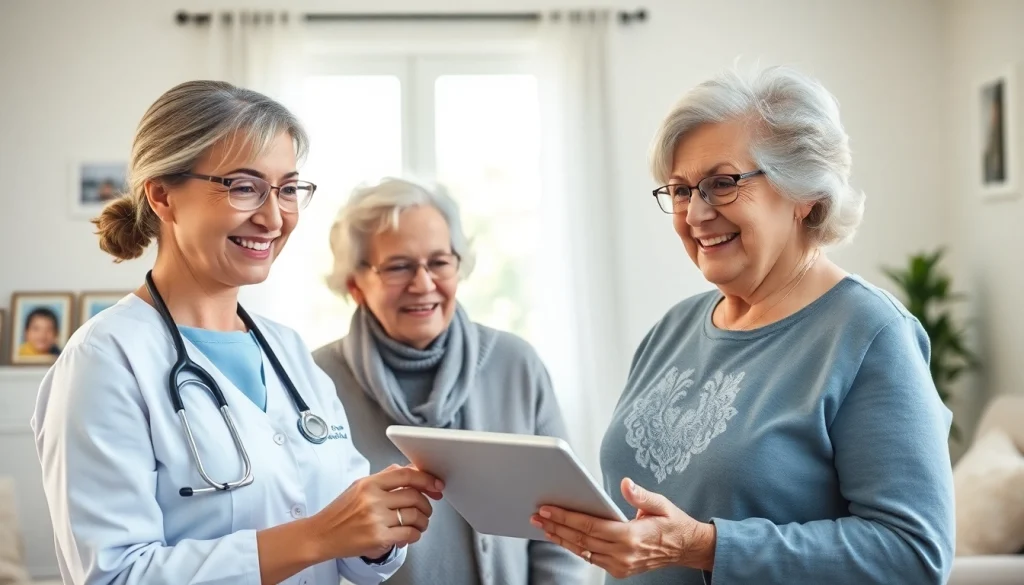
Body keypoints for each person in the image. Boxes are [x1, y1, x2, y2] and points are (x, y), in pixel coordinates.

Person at [530, 65, 956, 584]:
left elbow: (913, 554)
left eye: (721, 184)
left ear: (804, 192)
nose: (694, 214)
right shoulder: (674, 328)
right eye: (680, 190)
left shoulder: (871, 334)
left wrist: (706, 546)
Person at [30, 80, 445, 585]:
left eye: (287, 189)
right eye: (245, 187)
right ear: (162, 196)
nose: (273, 218)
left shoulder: (288, 351)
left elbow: (352, 560)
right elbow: (114, 576)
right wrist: (316, 537)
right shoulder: (104, 360)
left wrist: (379, 528)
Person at [311, 177, 588, 585]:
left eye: (439, 262)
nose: (423, 284)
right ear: (355, 284)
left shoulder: (516, 364)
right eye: (398, 266)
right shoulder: (315, 381)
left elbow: (563, 528)